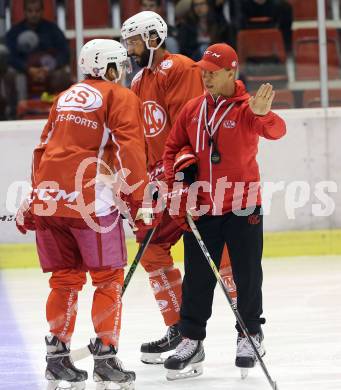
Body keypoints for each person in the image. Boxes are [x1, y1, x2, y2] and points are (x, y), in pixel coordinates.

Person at [15, 39, 152, 389]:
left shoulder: (63, 98)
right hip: (91, 203)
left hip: (50, 198)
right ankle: (105, 357)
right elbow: (131, 150)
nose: (121, 72)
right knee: (107, 279)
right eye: (118, 66)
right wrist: (140, 203)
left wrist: (36, 198)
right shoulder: (120, 97)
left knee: (64, 280)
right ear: (107, 67)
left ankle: (57, 358)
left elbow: (41, 149)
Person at [163, 43, 286, 380]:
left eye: (212, 72)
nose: (206, 77)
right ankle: (192, 339)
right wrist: (180, 171)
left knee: (247, 274)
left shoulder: (248, 108)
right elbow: (172, 148)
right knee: (198, 278)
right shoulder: (192, 110)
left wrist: (264, 115)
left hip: (243, 204)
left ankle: (250, 335)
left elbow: (277, 131)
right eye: (203, 71)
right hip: (202, 207)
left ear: (232, 72)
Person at [121, 11, 236, 364]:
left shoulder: (181, 69)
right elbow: (142, 136)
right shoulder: (140, 81)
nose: (130, 48)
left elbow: (188, 129)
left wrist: (177, 177)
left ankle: (247, 325)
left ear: (154, 38)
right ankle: (181, 330)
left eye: (135, 40)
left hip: (187, 178)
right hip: (161, 181)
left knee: (216, 252)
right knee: (151, 244)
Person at [5, 0, 71, 101]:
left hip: (49, 71)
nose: (34, 14)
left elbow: (65, 52)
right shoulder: (14, 32)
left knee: (62, 75)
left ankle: (59, 110)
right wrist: (28, 69)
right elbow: (9, 56)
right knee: (11, 75)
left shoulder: (53, 29)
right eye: (30, 11)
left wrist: (49, 68)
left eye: (37, 11)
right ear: (25, 12)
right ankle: (16, 112)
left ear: (42, 11)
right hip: (23, 71)